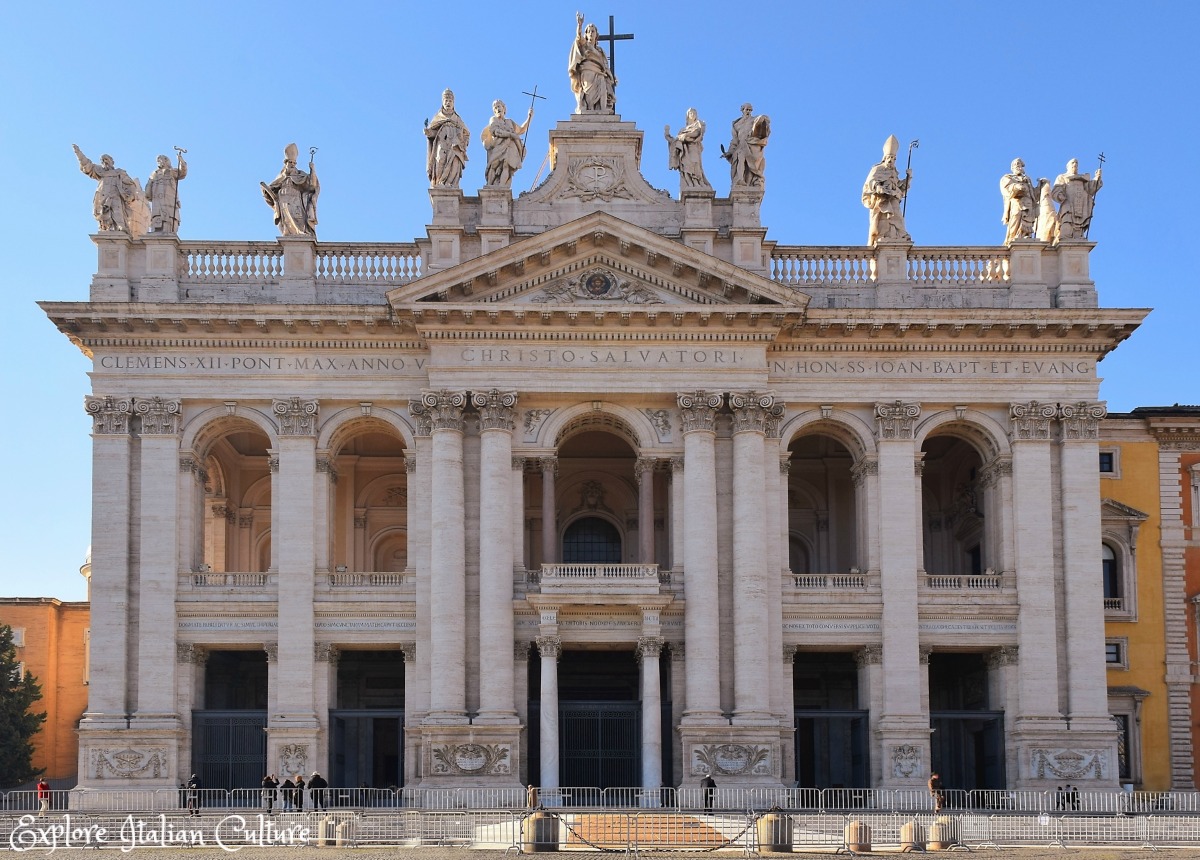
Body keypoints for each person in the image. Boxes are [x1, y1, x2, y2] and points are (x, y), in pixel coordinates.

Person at [72, 145, 146, 234]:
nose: (105, 161)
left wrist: (131, 195)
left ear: (112, 161)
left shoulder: (119, 173)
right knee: (104, 215)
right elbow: (87, 165)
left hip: (116, 196)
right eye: (103, 160)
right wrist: (78, 153)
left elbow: (130, 184)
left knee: (117, 213)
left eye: (106, 159)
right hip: (102, 196)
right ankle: (107, 229)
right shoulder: (100, 171)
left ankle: (121, 228)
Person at [261, 143, 319, 237]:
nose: (292, 164)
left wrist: (312, 170)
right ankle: (288, 233)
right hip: (283, 201)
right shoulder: (281, 177)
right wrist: (268, 192)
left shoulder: (300, 175)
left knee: (298, 219)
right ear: (286, 163)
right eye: (290, 162)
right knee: (286, 221)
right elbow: (271, 189)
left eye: (294, 163)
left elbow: (312, 185)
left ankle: (301, 233)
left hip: (295, 200)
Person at [862, 135, 912, 244]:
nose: (891, 160)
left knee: (897, 216)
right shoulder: (877, 169)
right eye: (890, 157)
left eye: (894, 158)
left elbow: (900, 188)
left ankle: (900, 236)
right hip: (882, 200)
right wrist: (878, 187)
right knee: (882, 222)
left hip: (893, 198)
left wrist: (908, 178)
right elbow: (870, 181)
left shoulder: (894, 172)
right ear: (885, 157)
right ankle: (882, 237)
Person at [568, 12, 616, 114]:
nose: (591, 33)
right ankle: (587, 107)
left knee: (603, 85)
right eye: (589, 31)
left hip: (599, 73)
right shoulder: (584, 45)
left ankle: (603, 111)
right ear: (586, 34)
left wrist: (611, 77)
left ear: (596, 34)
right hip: (587, 71)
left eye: (593, 31)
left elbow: (605, 66)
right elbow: (578, 37)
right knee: (587, 93)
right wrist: (579, 25)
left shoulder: (600, 50)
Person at [482, 99, 533, 188]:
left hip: (510, 146)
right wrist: (510, 134)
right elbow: (495, 131)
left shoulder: (509, 122)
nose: (497, 109)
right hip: (498, 145)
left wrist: (529, 117)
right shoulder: (493, 119)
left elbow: (521, 130)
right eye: (495, 108)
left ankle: (502, 186)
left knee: (507, 166)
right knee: (494, 165)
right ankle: (490, 185)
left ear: (504, 108)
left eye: (499, 106)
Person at [425, 89, 470, 188]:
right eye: (446, 101)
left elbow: (466, 133)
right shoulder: (438, 117)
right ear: (442, 102)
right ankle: (439, 182)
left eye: (450, 101)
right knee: (440, 159)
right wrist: (428, 132)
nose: (448, 103)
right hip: (442, 143)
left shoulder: (457, 118)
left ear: (453, 103)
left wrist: (461, 142)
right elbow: (433, 133)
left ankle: (450, 183)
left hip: (455, 145)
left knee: (454, 163)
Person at [1051, 158, 1102, 240]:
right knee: (1066, 219)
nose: (1075, 164)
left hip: (1080, 204)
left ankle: (1078, 236)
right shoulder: (1062, 177)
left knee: (1079, 223)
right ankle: (1065, 236)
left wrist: (1097, 178)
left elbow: (1090, 189)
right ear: (1068, 166)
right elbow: (1057, 189)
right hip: (1067, 203)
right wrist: (1059, 195)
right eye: (1073, 163)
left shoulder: (1083, 178)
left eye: (1076, 163)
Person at [723, 103, 768, 190]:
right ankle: (739, 180)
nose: (748, 112)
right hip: (740, 146)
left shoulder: (754, 120)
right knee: (739, 158)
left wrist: (763, 119)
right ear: (742, 110)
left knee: (749, 165)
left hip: (751, 145)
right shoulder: (736, 124)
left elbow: (763, 123)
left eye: (750, 110)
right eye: (746, 109)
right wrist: (729, 152)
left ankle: (746, 181)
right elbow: (734, 141)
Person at [665, 108, 711, 191]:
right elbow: (675, 141)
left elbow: (696, 133)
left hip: (693, 148)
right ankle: (690, 184)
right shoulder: (682, 130)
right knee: (685, 167)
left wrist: (685, 136)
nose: (693, 114)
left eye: (694, 113)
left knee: (695, 165)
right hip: (685, 151)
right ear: (687, 116)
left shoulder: (698, 124)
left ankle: (697, 183)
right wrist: (667, 135)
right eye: (691, 113)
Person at [145, 152, 187, 233]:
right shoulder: (155, 173)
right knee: (157, 216)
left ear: (166, 161)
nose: (158, 162)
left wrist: (180, 160)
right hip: (157, 200)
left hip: (170, 199)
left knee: (170, 215)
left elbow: (183, 172)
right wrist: (148, 192)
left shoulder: (171, 171)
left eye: (160, 160)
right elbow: (149, 186)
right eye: (158, 161)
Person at [1000, 158, 1037, 244]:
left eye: (1019, 164)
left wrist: (1042, 186)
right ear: (1012, 167)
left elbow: (1034, 193)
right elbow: (1006, 189)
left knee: (1028, 218)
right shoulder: (1008, 177)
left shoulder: (1027, 179)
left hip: (1028, 202)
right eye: (1016, 165)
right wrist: (1016, 187)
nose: (1018, 166)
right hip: (1016, 201)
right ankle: (1012, 238)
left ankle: (1025, 235)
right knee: (1016, 216)